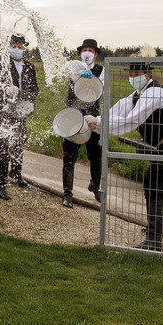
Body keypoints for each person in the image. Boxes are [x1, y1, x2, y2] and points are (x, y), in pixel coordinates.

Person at [85, 62, 163, 252]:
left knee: (153, 182)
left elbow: (133, 119)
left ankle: (154, 239)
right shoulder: (137, 95)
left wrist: (99, 122)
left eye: (137, 73)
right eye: (131, 73)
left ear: (148, 74)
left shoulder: (155, 93)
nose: (133, 76)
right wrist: (98, 123)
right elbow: (118, 111)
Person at [0, 33, 40, 200]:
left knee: (19, 141)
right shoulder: (1, 63)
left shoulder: (29, 67)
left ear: (24, 48)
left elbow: (35, 89)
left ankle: (16, 173)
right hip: (3, 108)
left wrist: (27, 98)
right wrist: (6, 89)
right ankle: (0, 185)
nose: (17, 49)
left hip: (20, 110)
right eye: (14, 46)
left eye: (20, 46)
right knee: (4, 144)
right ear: (9, 47)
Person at [62, 38, 104, 208]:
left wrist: (92, 77)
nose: (87, 53)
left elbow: (102, 87)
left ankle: (95, 186)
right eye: (84, 50)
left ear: (96, 54)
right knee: (69, 156)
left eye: (91, 50)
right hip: (74, 115)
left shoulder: (101, 71)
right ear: (80, 53)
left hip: (92, 116)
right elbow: (68, 69)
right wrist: (81, 72)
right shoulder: (74, 66)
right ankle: (67, 194)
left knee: (96, 155)